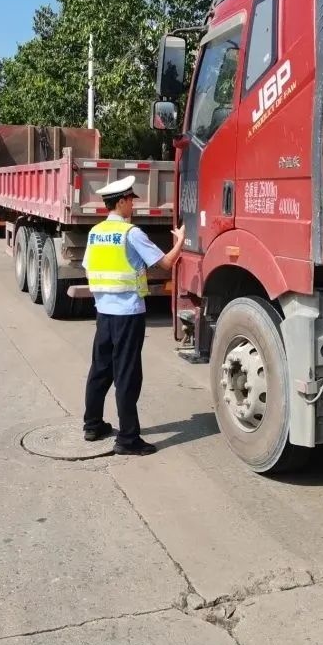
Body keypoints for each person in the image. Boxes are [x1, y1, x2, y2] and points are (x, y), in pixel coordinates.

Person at [82, 176, 185, 455]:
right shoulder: (131, 234)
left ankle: (92, 425)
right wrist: (181, 242)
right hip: (128, 313)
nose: (133, 206)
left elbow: (88, 266)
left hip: (103, 312)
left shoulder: (95, 233)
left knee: (100, 369)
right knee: (127, 375)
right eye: (131, 200)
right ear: (122, 201)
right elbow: (165, 263)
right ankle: (127, 439)